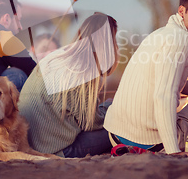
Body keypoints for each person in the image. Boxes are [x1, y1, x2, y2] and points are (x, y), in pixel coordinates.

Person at [104, 0, 188, 154]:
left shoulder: (161, 34)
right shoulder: (182, 38)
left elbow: (151, 79)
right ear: (182, 11)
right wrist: (173, 151)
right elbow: (164, 96)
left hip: (115, 135)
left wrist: (184, 87)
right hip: (150, 142)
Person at [18, 13, 119, 158]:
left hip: (27, 144)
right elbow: (91, 123)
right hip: (53, 150)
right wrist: (110, 107)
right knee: (118, 128)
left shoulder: (57, 57)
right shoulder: (82, 70)